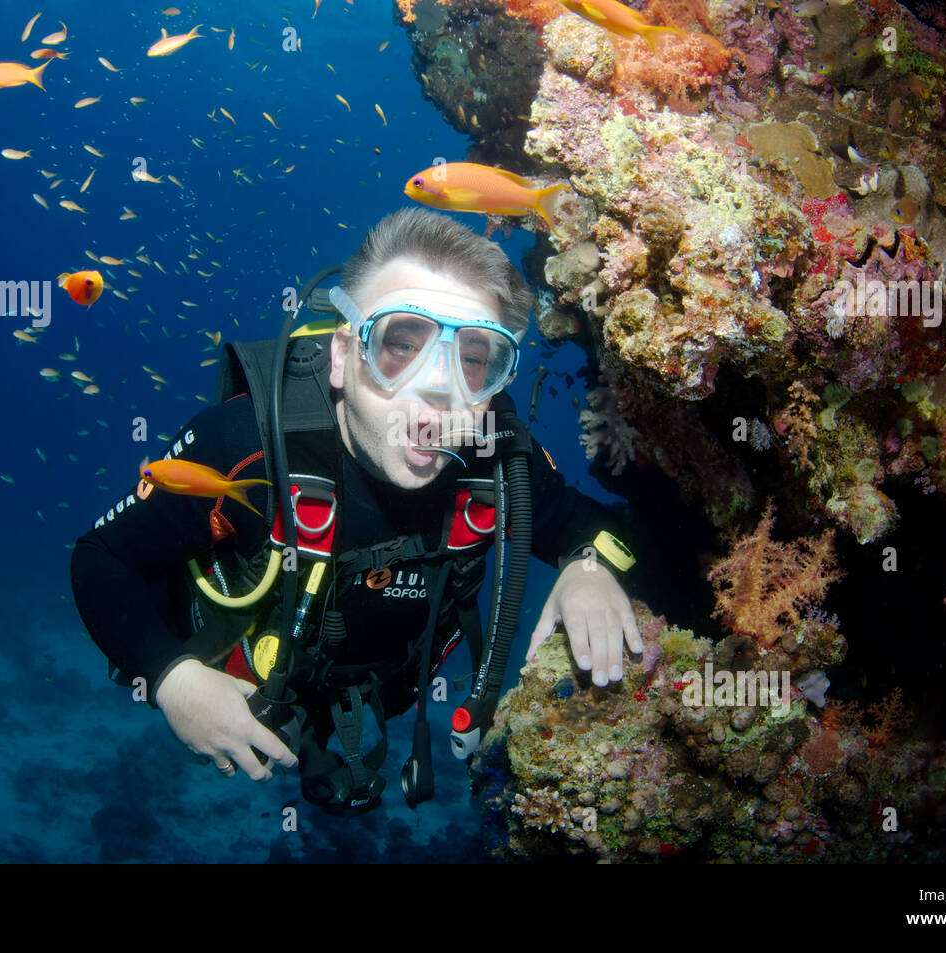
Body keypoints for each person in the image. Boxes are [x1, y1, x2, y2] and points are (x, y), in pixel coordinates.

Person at [71, 208, 641, 814]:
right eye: (400, 345)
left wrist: (587, 570)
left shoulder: (495, 460)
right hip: (249, 677)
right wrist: (173, 680)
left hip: (391, 689)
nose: (440, 391)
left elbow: (600, 527)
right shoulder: (247, 446)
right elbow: (101, 557)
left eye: (475, 359)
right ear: (343, 356)